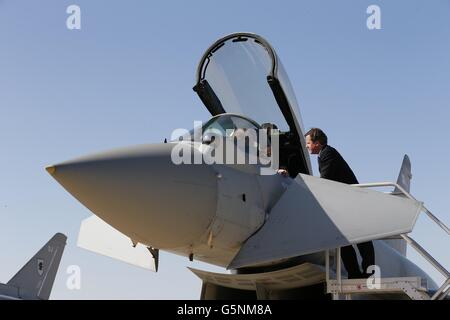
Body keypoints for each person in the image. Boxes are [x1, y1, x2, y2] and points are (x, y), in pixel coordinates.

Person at [304, 128, 375, 279]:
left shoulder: (328, 153)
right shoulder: (323, 154)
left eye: (308, 143)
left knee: (361, 239)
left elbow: (326, 179)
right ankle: (355, 273)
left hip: (351, 201)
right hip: (344, 202)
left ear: (317, 143)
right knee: (344, 240)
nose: (307, 146)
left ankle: (368, 272)